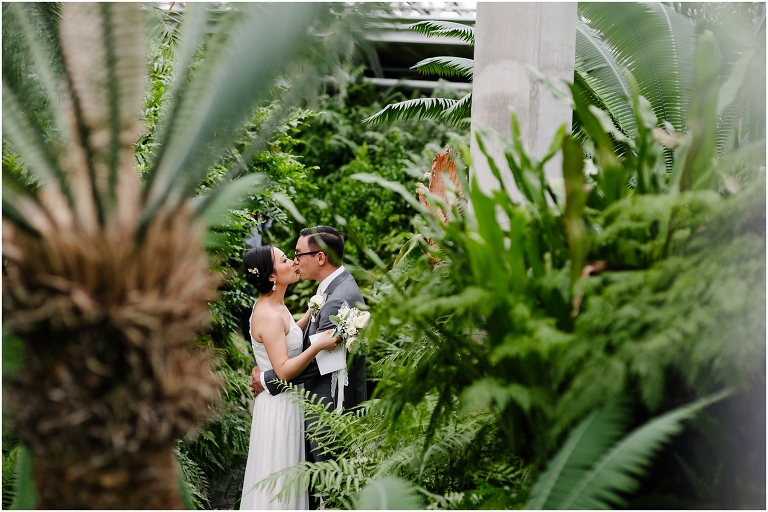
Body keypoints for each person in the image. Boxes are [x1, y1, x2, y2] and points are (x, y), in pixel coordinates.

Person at [250, 226, 367, 510]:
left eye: (298, 254)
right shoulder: (330, 291)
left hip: (326, 407)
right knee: (292, 482)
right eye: (287, 258)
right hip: (293, 408)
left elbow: (319, 364)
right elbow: (308, 346)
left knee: (326, 489)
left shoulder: (337, 297)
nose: (295, 261)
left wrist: (267, 380)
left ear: (320, 258)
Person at [239, 245, 338, 510]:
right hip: (279, 408)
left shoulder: (276, 305)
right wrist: (318, 345)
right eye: (285, 260)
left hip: (288, 401)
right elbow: (282, 370)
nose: (293, 262)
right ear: (272, 276)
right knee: (280, 478)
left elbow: (290, 335)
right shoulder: (269, 315)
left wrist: (310, 314)